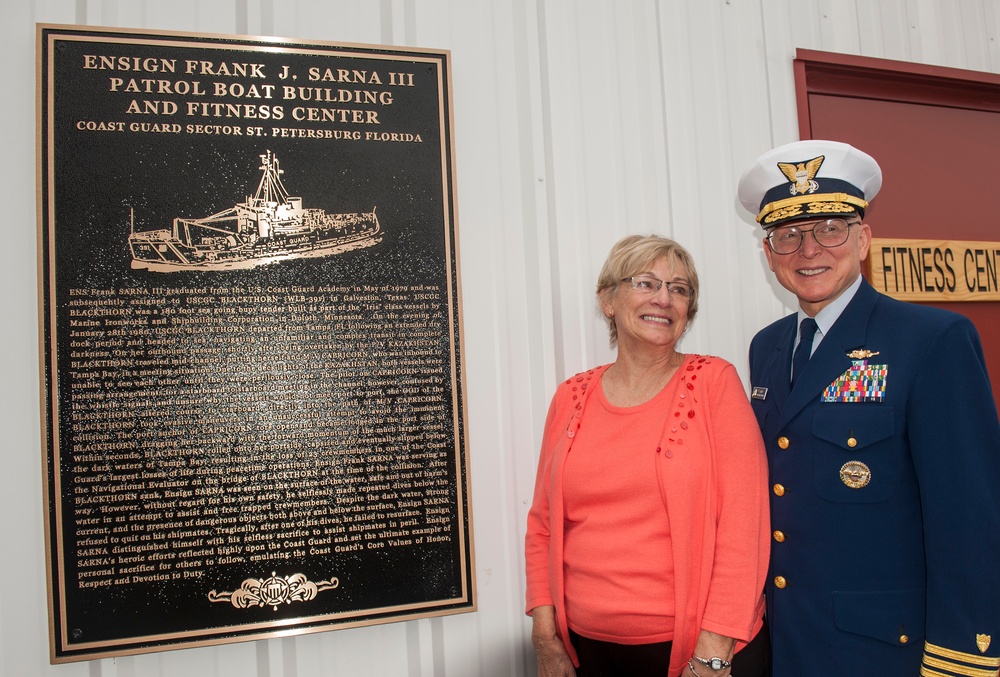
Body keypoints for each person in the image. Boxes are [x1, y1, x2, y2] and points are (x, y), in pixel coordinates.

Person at [737, 139, 1000, 676]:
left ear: (863, 240)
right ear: (768, 254)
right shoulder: (766, 347)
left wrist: (961, 660)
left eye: (830, 229)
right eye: (788, 236)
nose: (808, 251)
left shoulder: (932, 339)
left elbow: (969, 517)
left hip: (885, 651)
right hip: (787, 641)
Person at [524, 235, 770, 677]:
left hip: (694, 652)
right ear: (608, 300)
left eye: (680, 289)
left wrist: (713, 653)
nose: (664, 298)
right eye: (646, 282)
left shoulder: (714, 382)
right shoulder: (571, 396)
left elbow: (744, 525)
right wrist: (545, 635)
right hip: (586, 650)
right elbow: (543, 524)